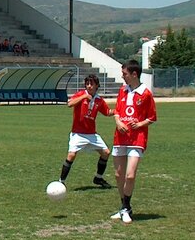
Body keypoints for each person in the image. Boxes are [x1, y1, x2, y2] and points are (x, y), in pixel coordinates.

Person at [109, 59, 156, 224]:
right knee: (118, 174)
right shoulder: (122, 90)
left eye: (125, 74)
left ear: (134, 74)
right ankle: (123, 207)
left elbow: (152, 118)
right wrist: (118, 122)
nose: (123, 77)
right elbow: (117, 112)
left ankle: (126, 207)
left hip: (137, 139)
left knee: (130, 175)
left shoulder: (146, 93)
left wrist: (139, 124)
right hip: (120, 137)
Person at [59, 74, 114, 188]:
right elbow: (70, 104)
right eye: (87, 84)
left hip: (91, 134)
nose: (89, 86)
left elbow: (107, 112)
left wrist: (118, 111)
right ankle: (61, 182)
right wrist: (83, 97)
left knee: (106, 153)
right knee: (71, 155)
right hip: (78, 133)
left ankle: (98, 178)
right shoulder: (81, 94)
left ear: (97, 85)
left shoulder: (99, 100)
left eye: (91, 84)